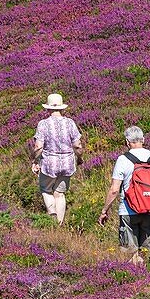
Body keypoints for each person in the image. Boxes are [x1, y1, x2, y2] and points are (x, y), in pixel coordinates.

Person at [97, 126, 150, 264]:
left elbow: (114, 190)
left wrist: (104, 211)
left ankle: (132, 280)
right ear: (143, 139)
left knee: (129, 254)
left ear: (127, 142)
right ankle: (147, 278)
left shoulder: (123, 159)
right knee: (148, 254)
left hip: (128, 211)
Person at [31, 93, 84, 226]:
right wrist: (79, 158)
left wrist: (35, 161)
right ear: (62, 108)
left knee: (46, 189)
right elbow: (77, 145)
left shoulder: (43, 124)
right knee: (60, 193)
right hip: (67, 164)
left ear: (48, 109)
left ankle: (52, 213)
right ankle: (59, 225)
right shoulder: (70, 123)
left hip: (49, 164)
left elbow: (38, 147)